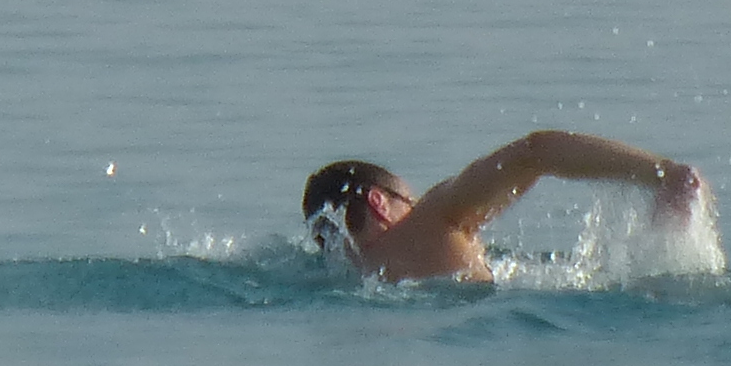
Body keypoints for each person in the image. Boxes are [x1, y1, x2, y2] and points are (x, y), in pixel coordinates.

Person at [301, 130, 705, 283]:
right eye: (410, 200)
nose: (418, 205)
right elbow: (535, 151)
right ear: (379, 202)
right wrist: (665, 174)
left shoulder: (349, 275)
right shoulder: (432, 221)